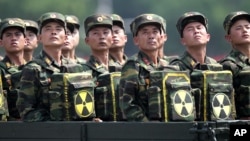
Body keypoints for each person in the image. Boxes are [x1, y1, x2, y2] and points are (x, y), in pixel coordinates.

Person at [16, 12, 84, 122]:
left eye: (58, 29)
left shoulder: (75, 68)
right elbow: (26, 111)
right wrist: (53, 119)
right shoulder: (33, 69)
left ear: (65, 37)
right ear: (40, 38)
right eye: (48, 29)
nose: (53, 32)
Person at [119, 13, 179, 122]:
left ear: (162, 37)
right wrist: (149, 126)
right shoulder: (133, 66)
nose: (151, 36)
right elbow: (127, 105)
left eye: (155, 32)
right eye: (145, 32)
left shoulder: (170, 67)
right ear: (136, 40)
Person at [219, 11, 250, 120]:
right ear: (228, 37)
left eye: (247, 27)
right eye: (238, 28)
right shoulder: (227, 66)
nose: (245, 30)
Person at [0, 18, 27, 121]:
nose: (13, 38)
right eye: (8, 35)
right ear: (1, 42)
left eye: (17, 34)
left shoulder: (35, 68)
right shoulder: (1, 69)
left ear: (25, 41)